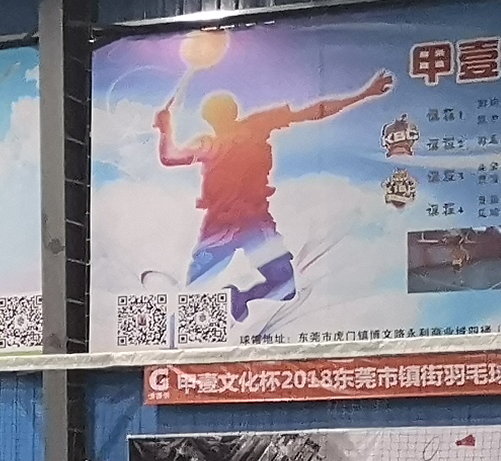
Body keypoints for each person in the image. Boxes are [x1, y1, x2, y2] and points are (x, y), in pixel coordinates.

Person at [154, 67, 398, 327]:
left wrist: (362, 95)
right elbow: (314, 112)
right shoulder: (215, 142)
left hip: (252, 223)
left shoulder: (246, 130)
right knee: (200, 291)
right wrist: (165, 128)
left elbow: (315, 111)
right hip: (226, 226)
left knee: (285, 288)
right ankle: (172, 329)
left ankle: (235, 299)